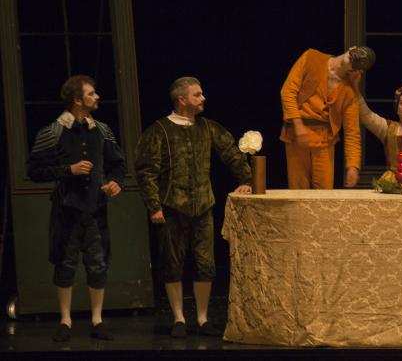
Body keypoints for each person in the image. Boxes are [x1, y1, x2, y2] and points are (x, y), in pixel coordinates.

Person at [134, 77, 251, 338]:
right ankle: (178, 318)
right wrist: (154, 206)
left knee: (205, 264)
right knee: (172, 264)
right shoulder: (160, 130)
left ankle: (202, 318)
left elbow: (231, 152)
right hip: (172, 207)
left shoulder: (207, 127)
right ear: (182, 99)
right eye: (197, 95)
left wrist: (246, 179)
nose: (203, 98)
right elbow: (146, 171)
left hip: (203, 206)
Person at [27, 75, 125, 342]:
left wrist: (115, 182)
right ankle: (65, 320)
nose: (97, 97)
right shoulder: (53, 132)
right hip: (66, 210)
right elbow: (34, 170)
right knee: (65, 264)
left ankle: (97, 320)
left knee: (98, 265)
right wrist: (67, 170)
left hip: (96, 209)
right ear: (77, 100)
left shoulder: (102, 130)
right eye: (91, 93)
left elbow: (118, 164)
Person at [280, 46, 375, 189]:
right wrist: (298, 125)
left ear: (358, 71)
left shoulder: (349, 91)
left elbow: (352, 132)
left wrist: (353, 166)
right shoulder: (312, 58)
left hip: (324, 141)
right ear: (352, 48)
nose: (352, 59)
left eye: (357, 62)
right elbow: (288, 92)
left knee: (323, 195)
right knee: (298, 193)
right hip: (297, 137)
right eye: (354, 54)